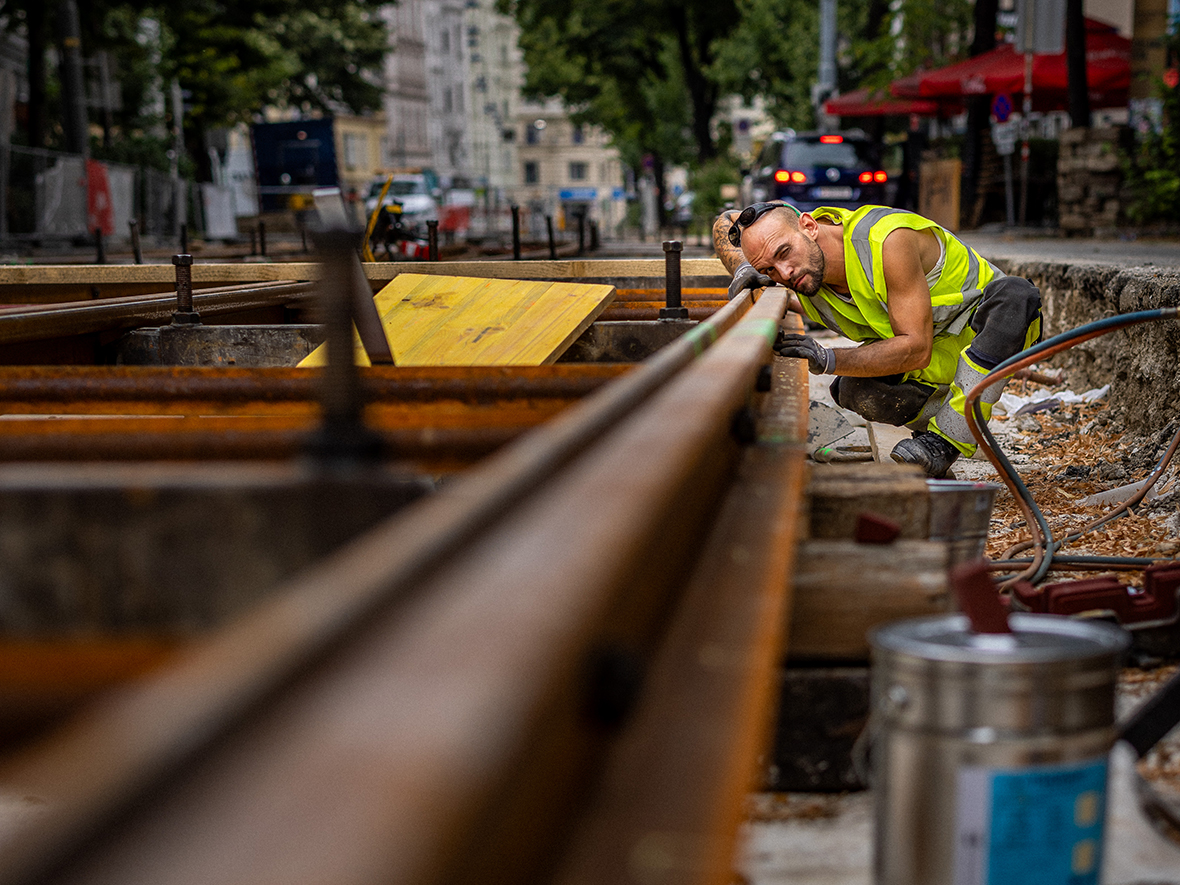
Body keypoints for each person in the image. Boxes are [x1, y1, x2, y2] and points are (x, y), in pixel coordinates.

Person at [712, 201, 1041, 477]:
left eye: (784, 253)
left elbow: (915, 348)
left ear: (810, 226)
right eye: (770, 270)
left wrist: (829, 358)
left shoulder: (886, 241)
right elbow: (729, 223)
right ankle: (940, 426)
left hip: (988, 335)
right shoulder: (808, 278)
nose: (784, 273)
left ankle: (945, 442)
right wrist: (747, 270)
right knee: (853, 389)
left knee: (1015, 295)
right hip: (942, 360)